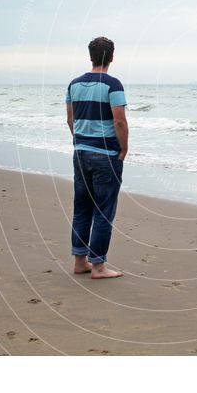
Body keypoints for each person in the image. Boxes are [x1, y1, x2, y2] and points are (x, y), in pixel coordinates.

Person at [66, 36, 128, 279]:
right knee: (103, 211)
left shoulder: (74, 84)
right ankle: (99, 267)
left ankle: (80, 262)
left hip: (81, 152)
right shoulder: (113, 85)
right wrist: (123, 148)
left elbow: (71, 120)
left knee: (82, 208)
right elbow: (119, 120)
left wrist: (79, 140)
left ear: (90, 56)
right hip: (105, 156)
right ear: (111, 57)